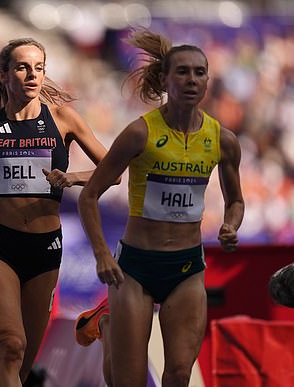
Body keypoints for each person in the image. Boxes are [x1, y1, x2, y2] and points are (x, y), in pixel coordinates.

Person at [0, 39, 110, 386]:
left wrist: (71, 178)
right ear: (3, 74)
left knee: (23, 365)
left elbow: (111, 170)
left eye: (39, 68)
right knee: (13, 344)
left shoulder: (63, 119)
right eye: (23, 67)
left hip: (45, 249)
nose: (32, 75)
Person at [76, 29, 244, 386]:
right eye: (182, 71)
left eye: (200, 72)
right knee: (130, 380)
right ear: (165, 79)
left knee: (180, 373)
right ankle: (108, 328)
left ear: (208, 81)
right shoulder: (140, 133)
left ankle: (113, 328)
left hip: (186, 268)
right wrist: (103, 255)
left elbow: (236, 201)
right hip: (135, 268)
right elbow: (88, 195)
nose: (192, 79)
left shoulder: (223, 140)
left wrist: (231, 225)